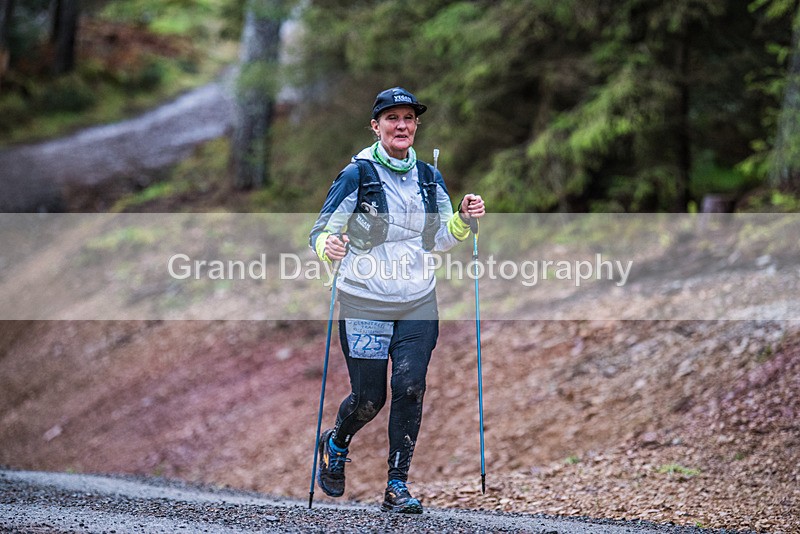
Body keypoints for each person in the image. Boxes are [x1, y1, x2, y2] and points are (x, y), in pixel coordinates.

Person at [308, 87, 485, 513]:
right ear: (376, 126)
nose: (401, 126)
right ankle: (336, 442)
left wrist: (463, 219)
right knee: (369, 399)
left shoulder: (429, 177)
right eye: (392, 118)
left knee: (410, 387)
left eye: (408, 118)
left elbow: (439, 238)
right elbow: (320, 231)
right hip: (364, 300)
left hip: (417, 301)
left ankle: (397, 485)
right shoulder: (357, 175)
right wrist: (328, 245)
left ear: (416, 125)